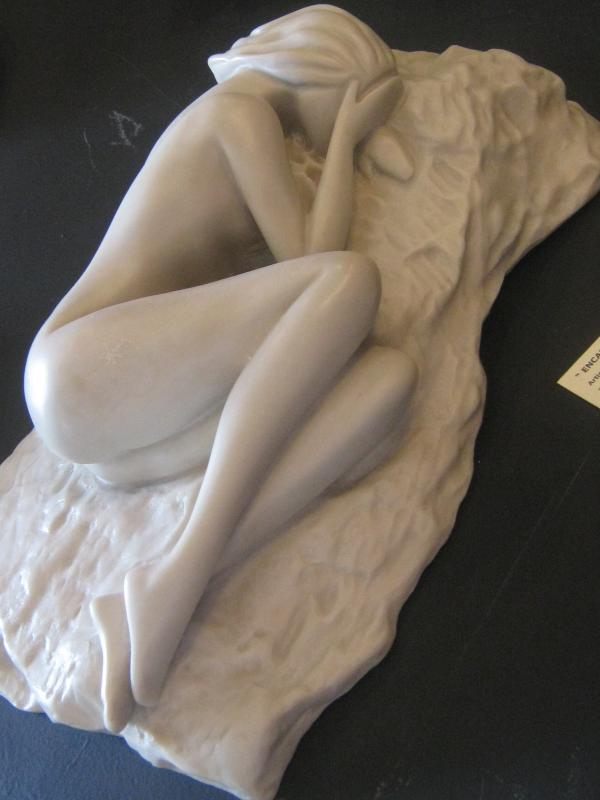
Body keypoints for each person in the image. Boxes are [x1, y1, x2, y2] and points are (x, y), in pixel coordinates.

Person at [23, 5, 417, 729]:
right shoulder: (238, 112)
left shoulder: (257, 131)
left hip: (140, 409)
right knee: (352, 283)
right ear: (327, 76)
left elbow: (313, 279)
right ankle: (181, 569)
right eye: (357, 101)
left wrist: (342, 138)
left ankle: (179, 579)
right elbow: (322, 264)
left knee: (387, 383)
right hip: (78, 369)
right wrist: (346, 141)